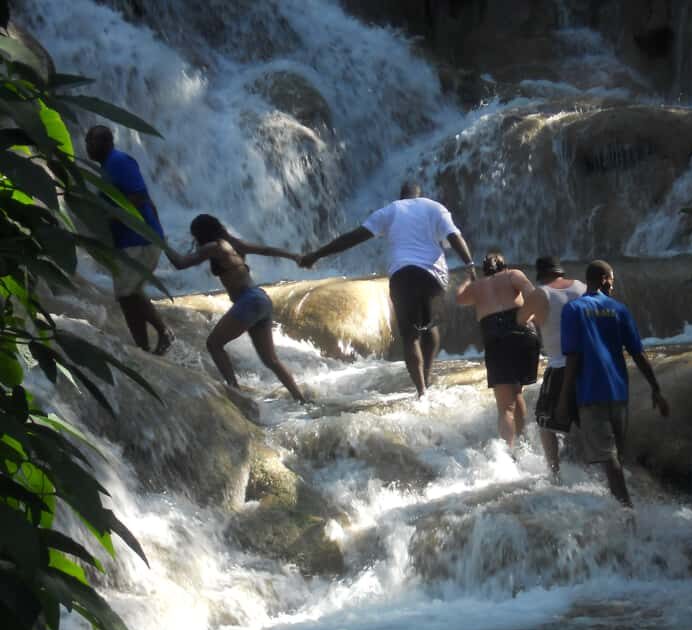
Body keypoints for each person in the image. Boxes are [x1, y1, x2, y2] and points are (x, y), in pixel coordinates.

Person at [299, 182, 474, 397]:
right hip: (432, 276)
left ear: (401, 197)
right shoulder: (434, 207)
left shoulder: (390, 210)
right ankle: (427, 377)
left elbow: (353, 238)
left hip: (402, 276)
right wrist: (470, 265)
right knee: (431, 328)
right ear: (419, 195)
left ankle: (421, 391)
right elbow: (454, 237)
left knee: (410, 337)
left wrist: (317, 254)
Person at [558, 260, 669, 507]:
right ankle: (629, 507)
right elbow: (638, 353)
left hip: (590, 394)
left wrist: (565, 398)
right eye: (612, 281)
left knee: (609, 460)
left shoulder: (573, 310)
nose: (613, 287)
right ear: (605, 279)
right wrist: (656, 389)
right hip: (619, 393)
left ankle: (626, 512)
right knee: (615, 456)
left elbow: (573, 357)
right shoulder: (619, 309)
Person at [164, 214, 307, 402]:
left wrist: (160, 242)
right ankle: (301, 399)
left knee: (214, 344)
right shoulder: (233, 244)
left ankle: (235, 391)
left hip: (248, 301)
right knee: (271, 360)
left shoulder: (213, 247)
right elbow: (265, 249)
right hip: (261, 299)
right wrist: (293, 256)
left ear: (201, 234)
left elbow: (180, 263)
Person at [85, 125, 174, 355]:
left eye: (92, 142)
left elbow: (139, 195)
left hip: (139, 238)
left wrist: (111, 218)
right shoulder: (109, 166)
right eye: (87, 142)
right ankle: (143, 347)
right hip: (132, 239)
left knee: (128, 294)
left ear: (107, 143)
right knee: (129, 295)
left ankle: (163, 332)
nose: (88, 147)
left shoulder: (118, 162)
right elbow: (146, 199)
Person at [456, 252, 540, 449]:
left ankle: (509, 456)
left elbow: (459, 297)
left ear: (484, 271)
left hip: (495, 337)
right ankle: (525, 445)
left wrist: (468, 279)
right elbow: (533, 295)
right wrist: (530, 316)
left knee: (505, 407)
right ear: (505, 266)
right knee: (517, 391)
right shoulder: (513, 275)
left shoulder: (477, 286)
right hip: (524, 333)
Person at [518, 256, 586, 481]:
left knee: (544, 422)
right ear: (560, 271)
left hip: (559, 366)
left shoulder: (541, 293)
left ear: (542, 275)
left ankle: (554, 473)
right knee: (586, 416)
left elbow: (521, 319)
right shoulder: (581, 287)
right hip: (588, 364)